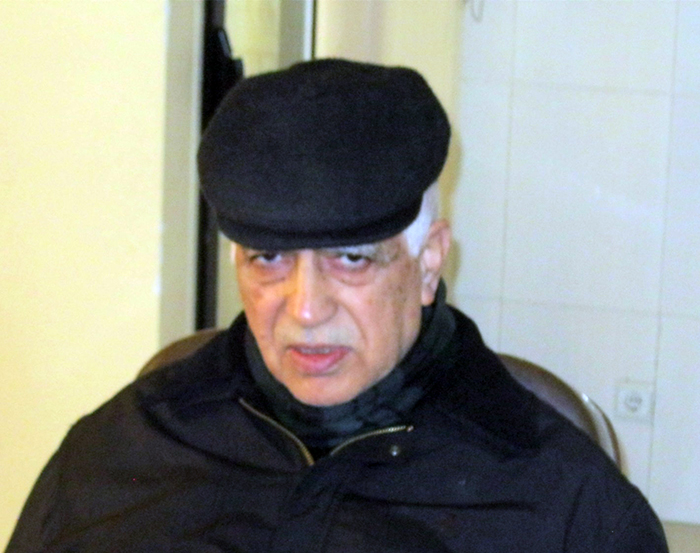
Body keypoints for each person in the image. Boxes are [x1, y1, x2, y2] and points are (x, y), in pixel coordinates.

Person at [6, 59, 667, 553]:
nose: (305, 309)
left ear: (429, 260)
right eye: (268, 259)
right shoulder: (119, 452)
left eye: (351, 259)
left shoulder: (563, 503)